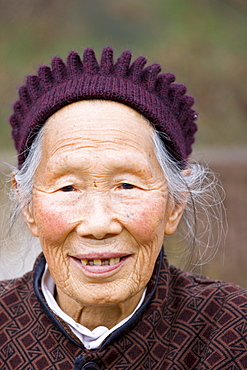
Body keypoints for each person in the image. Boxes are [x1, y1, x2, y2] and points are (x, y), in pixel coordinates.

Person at [0, 47, 246, 370]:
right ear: (27, 205)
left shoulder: (235, 333)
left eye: (127, 186)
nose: (99, 224)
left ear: (176, 202)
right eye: (68, 187)